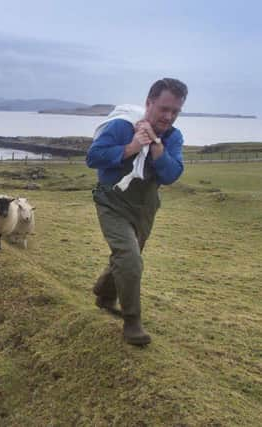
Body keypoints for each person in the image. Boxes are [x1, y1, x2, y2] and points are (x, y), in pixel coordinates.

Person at [86, 78, 188, 346]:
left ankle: (104, 293)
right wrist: (131, 147)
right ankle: (132, 322)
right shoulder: (121, 127)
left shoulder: (173, 137)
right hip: (112, 201)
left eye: (175, 111)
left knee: (128, 255)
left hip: (145, 206)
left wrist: (156, 148)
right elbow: (93, 157)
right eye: (163, 109)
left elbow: (171, 174)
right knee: (130, 258)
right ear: (149, 103)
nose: (168, 116)